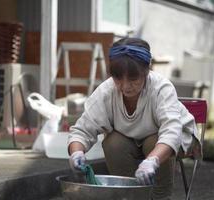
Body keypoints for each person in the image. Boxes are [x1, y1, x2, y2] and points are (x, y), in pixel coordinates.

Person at [68, 37, 201, 200]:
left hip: (173, 138)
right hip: (133, 140)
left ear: (146, 71)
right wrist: (76, 153)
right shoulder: (106, 92)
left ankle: (160, 196)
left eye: (133, 79)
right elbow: (82, 130)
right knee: (112, 143)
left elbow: (172, 132)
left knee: (153, 141)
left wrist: (152, 160)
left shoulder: (161, 88)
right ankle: (130, 195)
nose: (125, 86)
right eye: (118, 79)